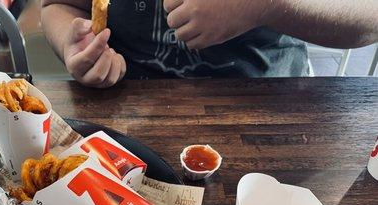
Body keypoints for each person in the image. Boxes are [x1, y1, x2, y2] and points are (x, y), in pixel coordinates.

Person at [41, 0, 378, 88]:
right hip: (123, 103)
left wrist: (264, 5)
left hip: (269, 104)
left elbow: (368, 18)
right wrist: (75, 49)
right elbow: (57, 6)